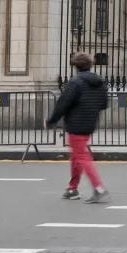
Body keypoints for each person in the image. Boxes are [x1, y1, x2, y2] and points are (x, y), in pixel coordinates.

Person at [46, 52, 110, 202]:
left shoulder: (75, 82)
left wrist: (51, 121)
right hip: (90, 122)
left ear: (75, 66)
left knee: (82, 156)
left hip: (76, 123)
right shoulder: (99, 82)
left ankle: (98, 188)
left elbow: (63, 104)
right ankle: (72, 188)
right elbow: (104, 104)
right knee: (77, 156)